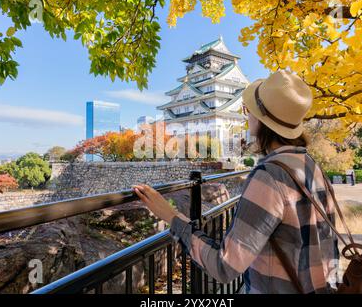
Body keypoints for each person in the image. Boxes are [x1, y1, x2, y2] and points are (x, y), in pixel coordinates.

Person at [133, 70, 339, 294]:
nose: (245, 116)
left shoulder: (270, 176)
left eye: (247, 110)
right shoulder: (312, 167)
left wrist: (171, 217)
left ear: (261, 120)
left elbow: (225, 266)